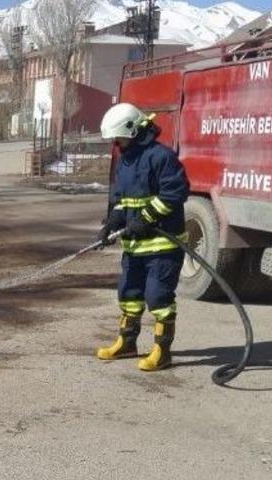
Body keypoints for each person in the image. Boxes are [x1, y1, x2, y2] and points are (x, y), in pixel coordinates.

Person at [96, 103, 190, 371]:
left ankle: (162, 351)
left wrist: (146, 218)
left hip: (163, 246)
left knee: (158, 296)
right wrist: (112, 223)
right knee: (129, 293)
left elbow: (175, 193)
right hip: (135, 247)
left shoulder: (161, 157)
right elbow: (120, 200)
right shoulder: (125, 161)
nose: (116, 143)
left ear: (134, 130)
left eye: (119, 137)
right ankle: (127, 343)